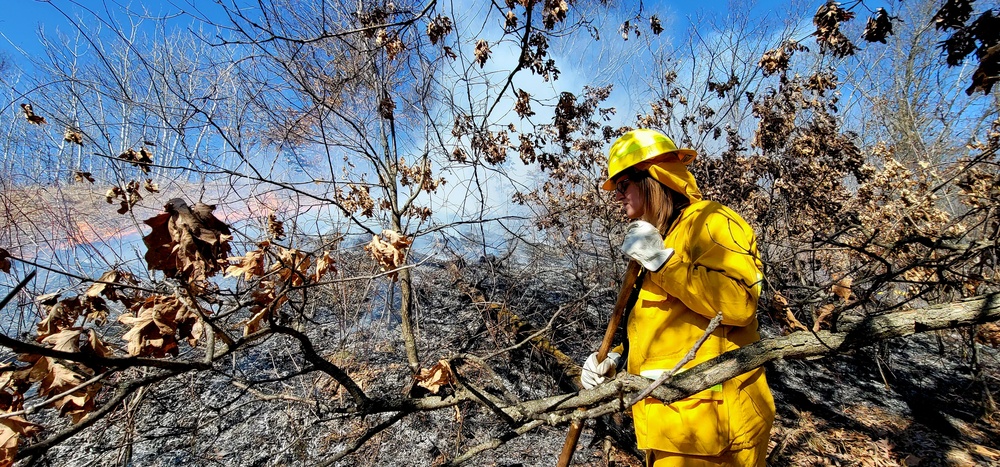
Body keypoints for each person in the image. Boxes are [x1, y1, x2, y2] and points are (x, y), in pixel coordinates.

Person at [580, 129, 775, 466]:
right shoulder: (657, 241)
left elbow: (740, 304)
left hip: (715, 431)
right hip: (671, 428)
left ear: (652, 176)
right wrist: (615, 360)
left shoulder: (710, 220)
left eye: (623, 184)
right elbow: (665, 331)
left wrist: (663, 262)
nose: (617, 195)